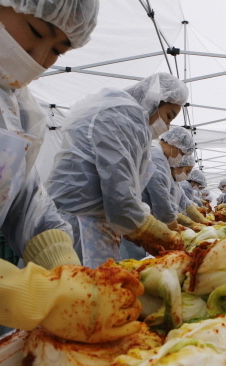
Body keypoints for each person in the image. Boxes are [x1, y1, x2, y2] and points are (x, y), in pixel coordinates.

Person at [0, 0, 130, 365]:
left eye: (58, 49)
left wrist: (68, 272)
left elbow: (26, 202)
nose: (39, 58)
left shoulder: (15, 106)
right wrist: (34, 294)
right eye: (37, 32)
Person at [47, 73, 189, 267]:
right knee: (77, 288)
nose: (167, 126)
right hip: (79, 226)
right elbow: (121, 197)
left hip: (89, 221)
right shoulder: (124, 117)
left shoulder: (122, 115)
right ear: (154, 101)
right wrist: (165, 237)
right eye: (168, 116)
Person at [171, 154, 212, 229]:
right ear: (177, 166)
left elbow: (186, 203)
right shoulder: (184, 185)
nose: (187, 175)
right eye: (187, 171)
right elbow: (165, 209)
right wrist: (192, 223)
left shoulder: (176, 184)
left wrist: (202, 220)